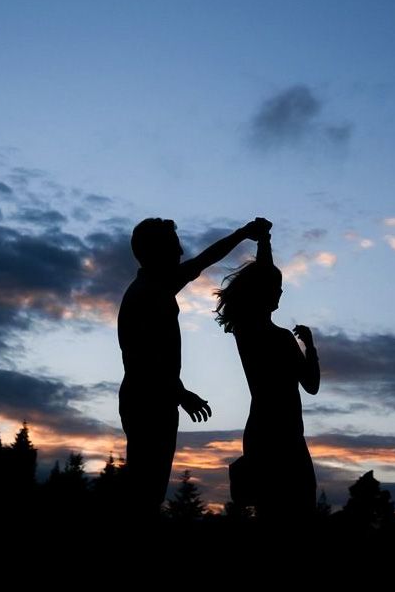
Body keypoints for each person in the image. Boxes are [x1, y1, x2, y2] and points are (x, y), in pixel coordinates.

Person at [117, 216, 272, 519]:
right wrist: (180, 393)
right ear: (155, 252)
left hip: (154, 399)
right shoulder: (145, 294)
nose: (181, 253)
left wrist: (242, 234)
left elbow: (204, 260)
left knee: (149, 490)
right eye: (175, 247)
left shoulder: (158, 285)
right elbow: (142, 358)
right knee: (144, 492)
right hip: (146, 401)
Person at [215, 228, 320, 522]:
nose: (281, 293)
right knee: (289, 512)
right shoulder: (261, 334)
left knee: (279, 512)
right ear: (262, 291)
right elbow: (311, 385)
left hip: (275, 434)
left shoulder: (251, 333)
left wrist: (309, 347)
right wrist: (265, 243)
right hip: (277, 436)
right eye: (277, 287)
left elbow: (311, 386)